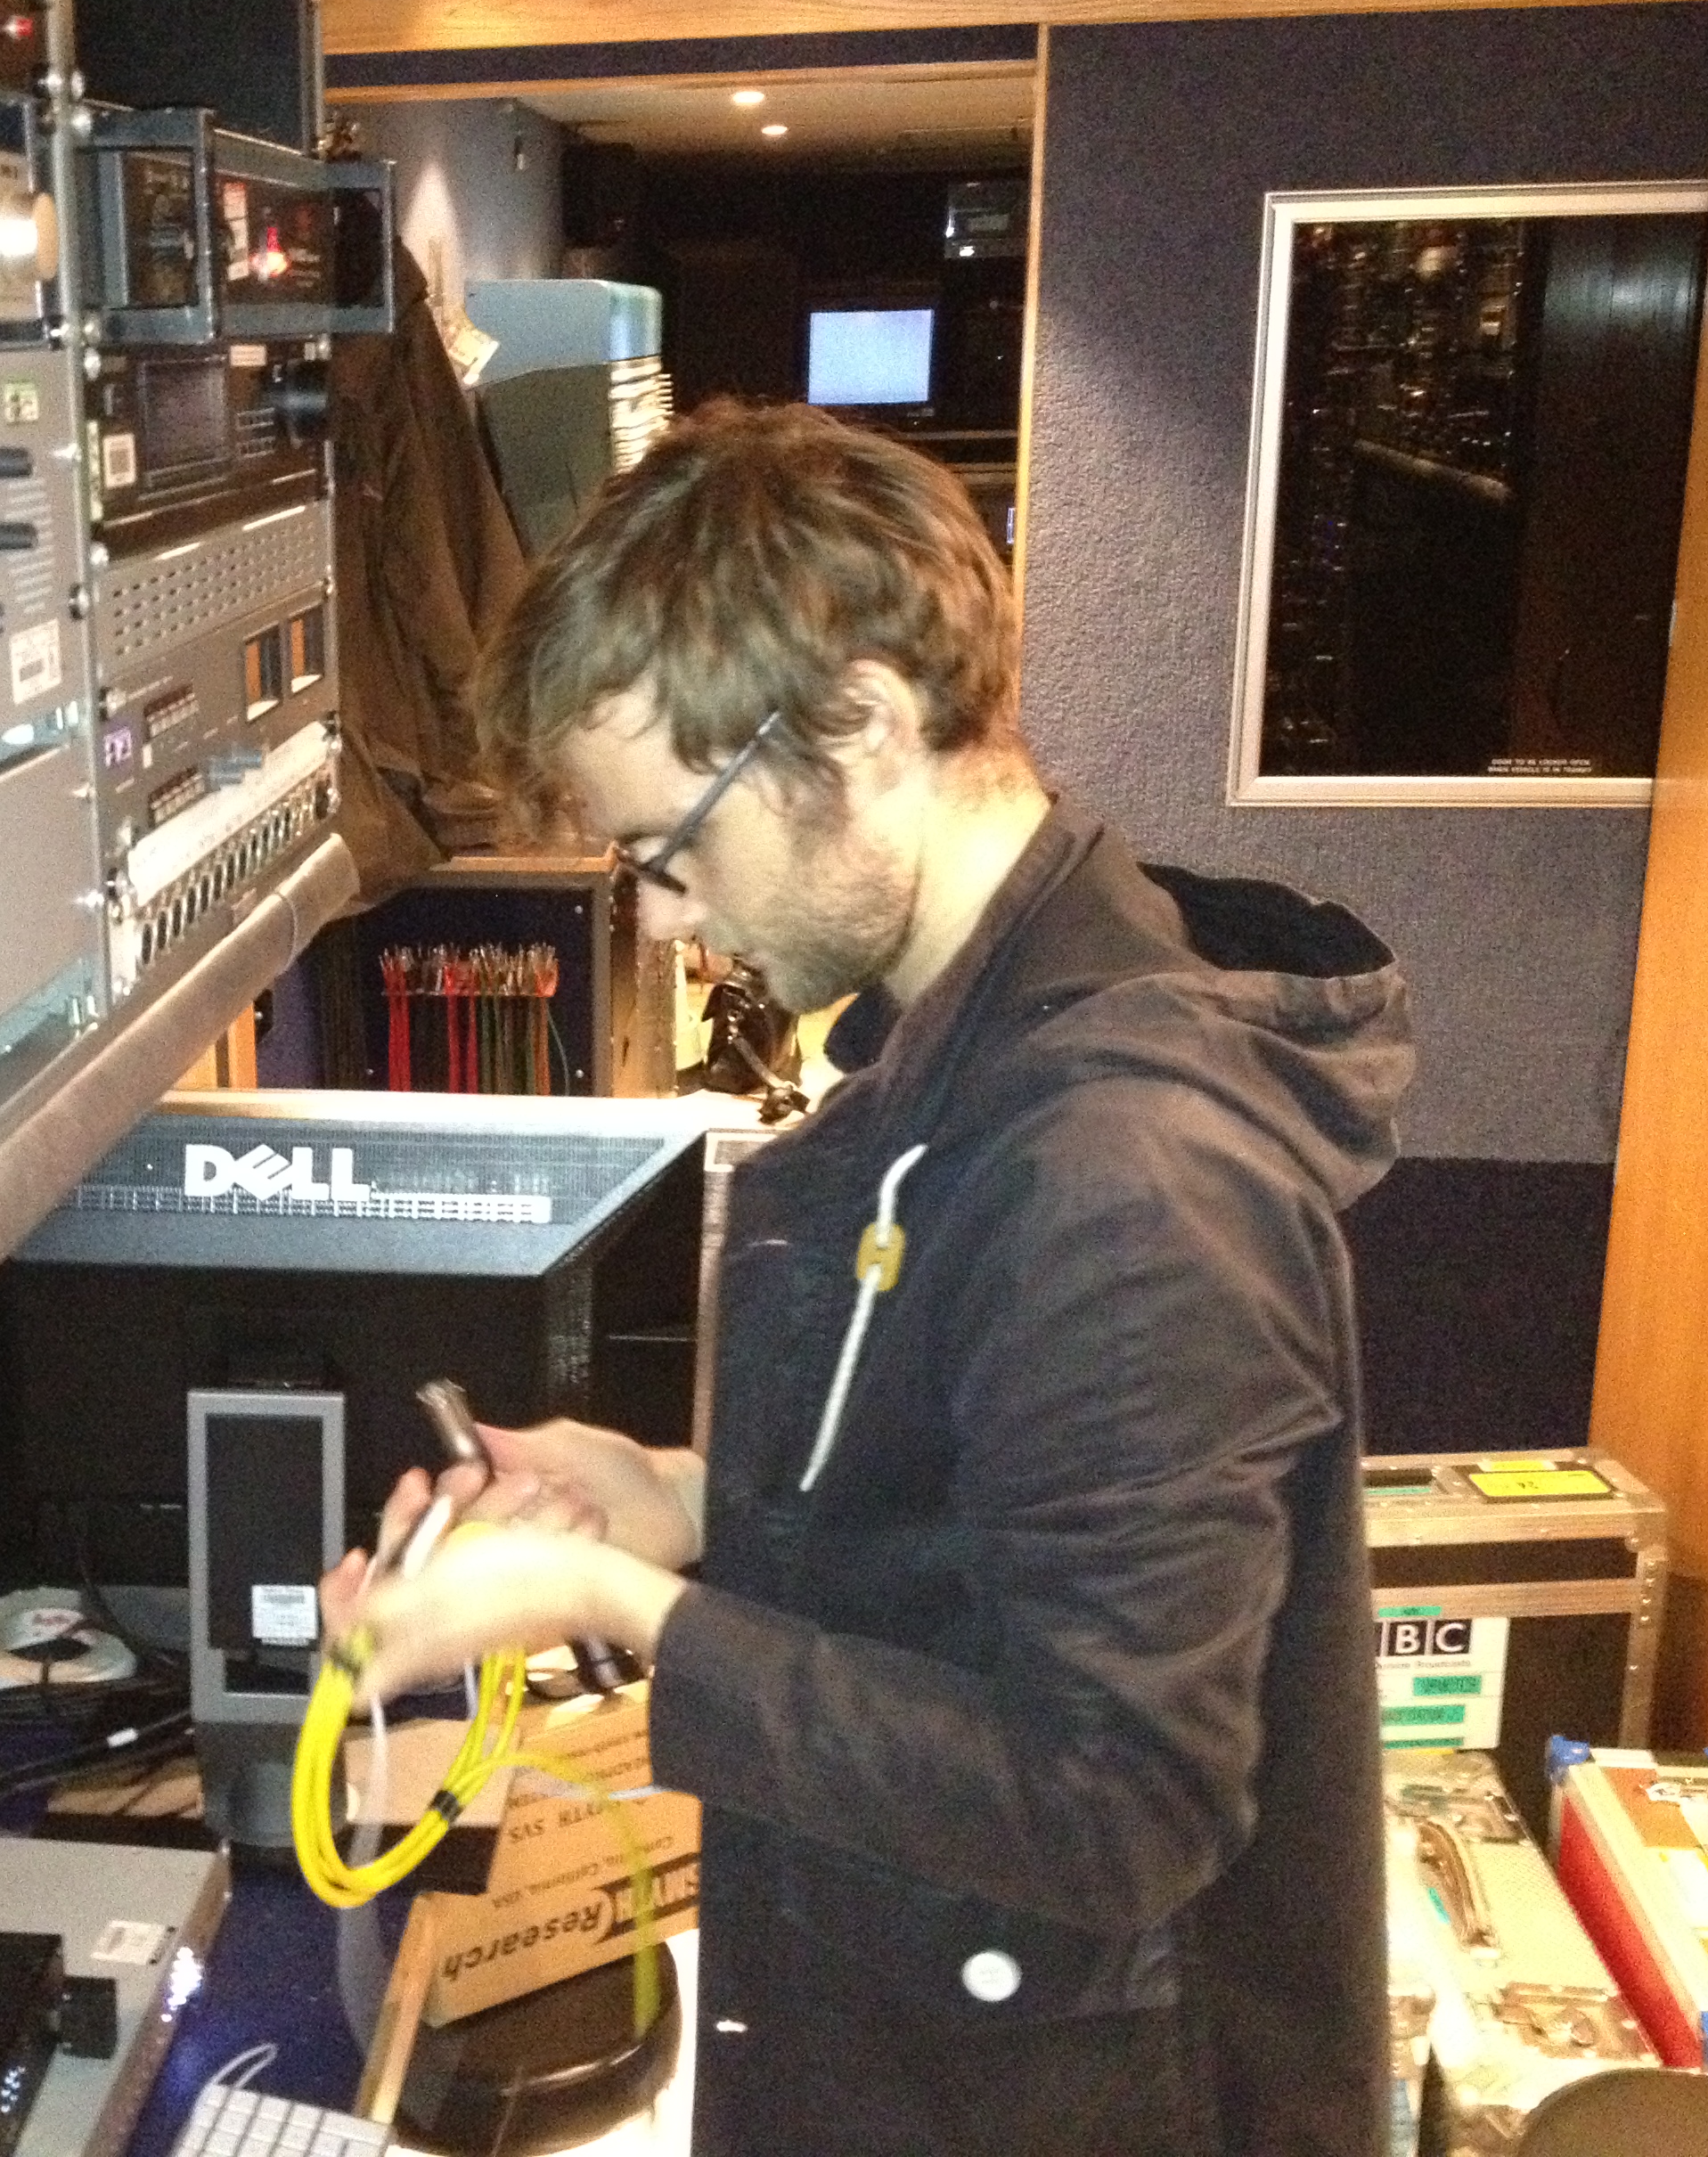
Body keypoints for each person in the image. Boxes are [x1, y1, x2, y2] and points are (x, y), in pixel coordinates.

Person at [321, 402, 1413, 2156]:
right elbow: (984, 1519)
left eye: (674, 849)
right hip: (918, 2026)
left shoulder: (1125, 1177)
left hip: (1056, 2099)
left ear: (864, 727)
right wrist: (673, 1501)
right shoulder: (964, 1055)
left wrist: (622, 1614)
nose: (665, 921)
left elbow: (1114, 1802)